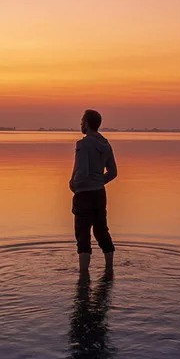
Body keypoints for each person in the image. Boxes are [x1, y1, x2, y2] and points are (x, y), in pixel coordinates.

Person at [69, 108, 117, 277]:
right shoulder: (106, 144)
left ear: (87, 124)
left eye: (82, 121)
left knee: (82, 235)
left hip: (84, 195)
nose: (81, 124)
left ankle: (83, 276)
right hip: (99, 194)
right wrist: (98, 182)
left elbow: (82, 171)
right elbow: (113, 172)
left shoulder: (83, 144)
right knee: (101, 231)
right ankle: (109, 269)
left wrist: (73, 185)